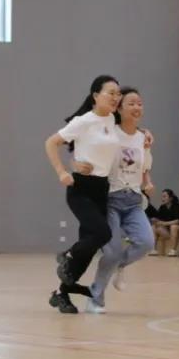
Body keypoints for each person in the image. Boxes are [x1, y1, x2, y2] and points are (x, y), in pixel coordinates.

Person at [44, 75, 121, 314]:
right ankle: (67, 254)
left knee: (88, 248)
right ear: (95, 95)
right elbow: (51, 142)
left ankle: (61, 294)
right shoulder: (83, 121)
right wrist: (62, 171)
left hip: (101, 189)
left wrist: (146, 134)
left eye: (118, 94)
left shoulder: (112, 119)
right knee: (102, 233)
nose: (116, 97)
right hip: (81, 189)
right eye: (111, 93)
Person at [86, 87, 155, 313]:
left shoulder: (143, 138)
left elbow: (144, 166)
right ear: (120, 108)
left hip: (133, 200)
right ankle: (95, 298)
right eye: (131, 103)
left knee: (146, 243)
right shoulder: (110, 133)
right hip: (111, 200)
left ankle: (119, 266)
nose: (137, 107)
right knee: (112, 251)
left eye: (140, 103)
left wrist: (147, 181)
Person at [150, 189, 179, 256]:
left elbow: (177, 221)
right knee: (154, 226)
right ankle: (153, 249)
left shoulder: (177, 206)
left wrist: (164, 223)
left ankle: (173, 250)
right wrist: (155, 220)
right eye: (162, 196)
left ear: (170, 198)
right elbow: (159, 218)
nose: (162, 198)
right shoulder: (162, 207)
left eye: (164, 196)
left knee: (174, 226)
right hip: (170, 232)